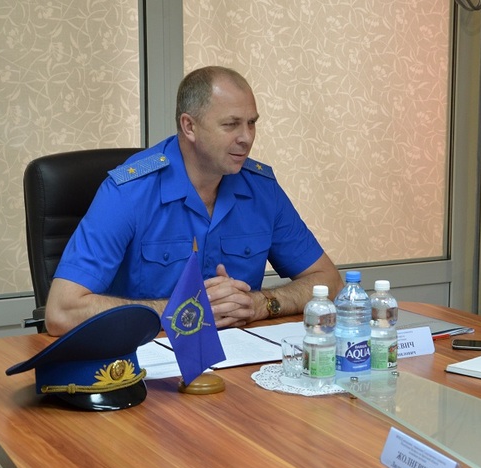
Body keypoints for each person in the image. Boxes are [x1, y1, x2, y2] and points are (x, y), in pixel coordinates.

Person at [45, 66, 343, 336]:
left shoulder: (261, 188)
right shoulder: (129, 191)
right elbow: (61, 311)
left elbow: (329, 282)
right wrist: (182, 311)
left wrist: (261, 303)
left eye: (251, 123)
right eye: (231, 125)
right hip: (147, 362)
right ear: (189, 127)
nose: (246, 138)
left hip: (238, 360)